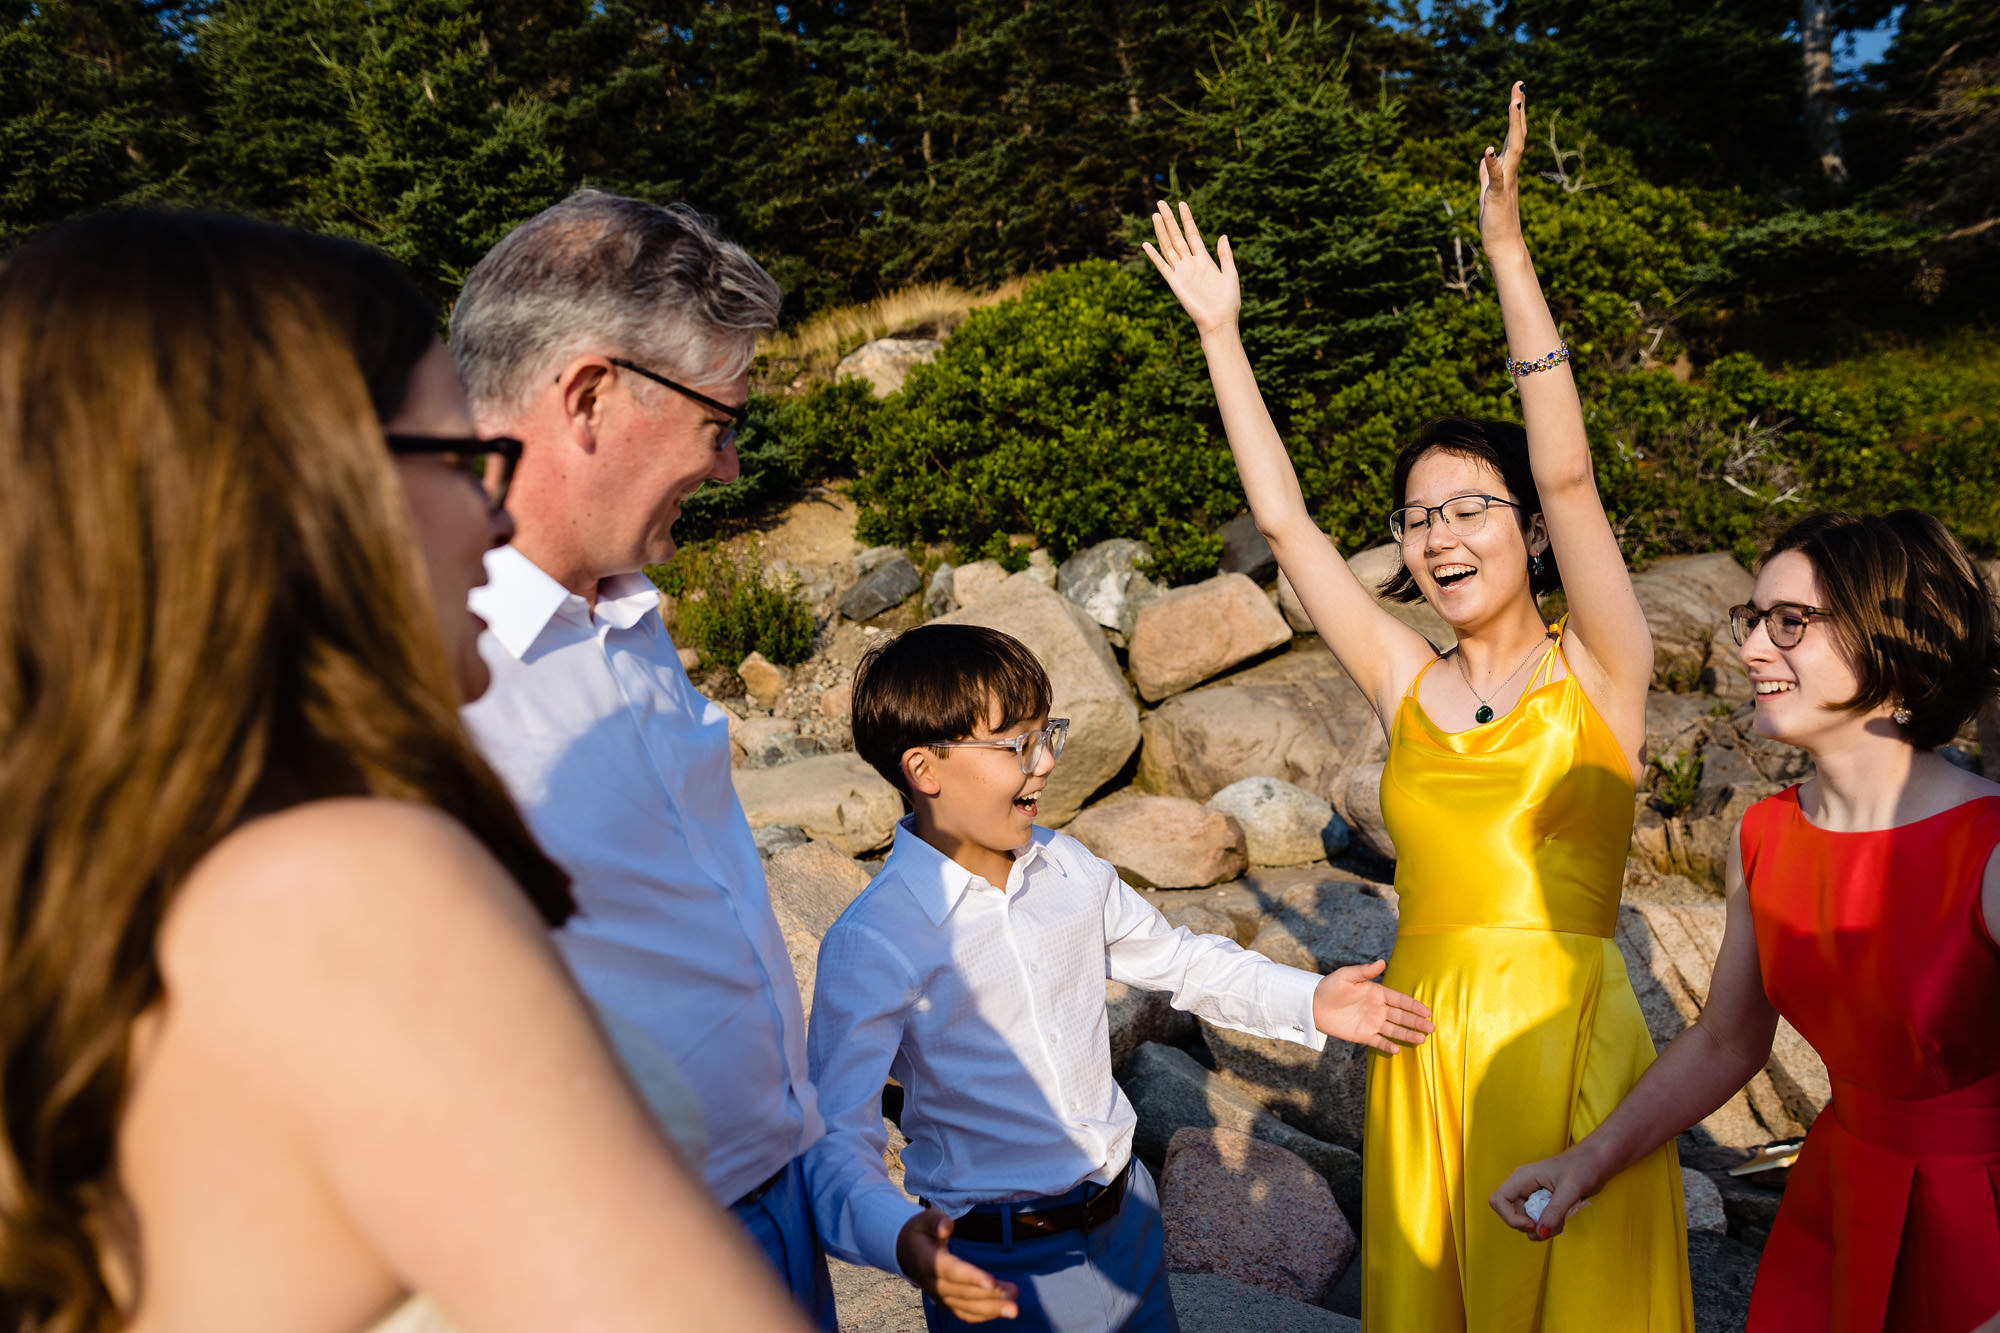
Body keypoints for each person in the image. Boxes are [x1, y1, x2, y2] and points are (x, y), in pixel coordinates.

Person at [0, 210, 811, 1332]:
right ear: (302, 498)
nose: (490, 519)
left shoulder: (110, 872)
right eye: (457, 457)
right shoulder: (344, 876)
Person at [1144, 84, 1693, 1331]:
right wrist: (1221, 336)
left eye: (1468, 509)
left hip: (1561, 1049)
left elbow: (1563, 463)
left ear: (1531, 535)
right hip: (1421, 1051)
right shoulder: (1406, 679)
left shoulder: (1598, 668)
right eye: (1417, 516)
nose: (1440, 537)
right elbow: (1282, 526)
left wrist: (1507, 255)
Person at [804, 623, 1435, 1332]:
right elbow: (835, 1135)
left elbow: (1182, 959)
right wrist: (896, 1235)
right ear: (924, 769)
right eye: (1018, 744)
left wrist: (1309, 998)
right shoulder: (875, 939)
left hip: (1127, 1221)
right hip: (997, 1264)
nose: (1044, 763)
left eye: (1049, 734)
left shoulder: (1070, 868)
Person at [448, 189, 837, 1326]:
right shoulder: (407, 661)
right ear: (588, 395)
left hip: (777, 1197)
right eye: (719, 423)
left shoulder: (627, 606)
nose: (726, 468)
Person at [1493, 510, 2000, 1332]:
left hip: (1977, 1232)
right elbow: (1728, 1040)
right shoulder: (1766, 833)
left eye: (1790, 622)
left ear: (1896, 636)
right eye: (1753, 619)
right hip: (1834, 1202)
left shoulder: (1989, 848)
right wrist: (1587, 1160)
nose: (1754, 646)